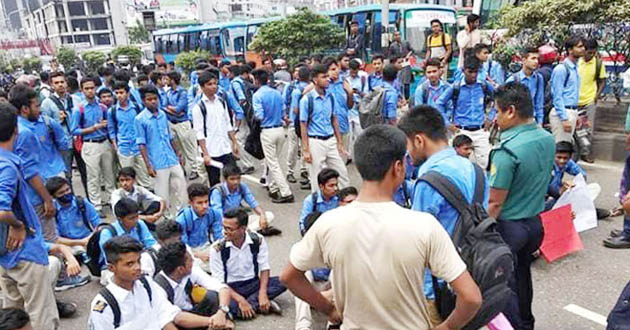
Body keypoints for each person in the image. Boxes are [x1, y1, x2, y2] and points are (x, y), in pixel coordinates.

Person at [281, 124, 482, 329]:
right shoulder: (424, 226)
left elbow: (289, 276)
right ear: (398, 167)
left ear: (359, 167)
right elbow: (471, 297)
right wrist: (446, 327)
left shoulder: (329, 223)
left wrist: (329, 309)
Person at [398, 105, 489, 324]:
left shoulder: (429, 180)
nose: (408, 155)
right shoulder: (475, 170)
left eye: (408, 146)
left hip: (441, 286)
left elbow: (419, 244)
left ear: (419, 140)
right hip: (476, 274)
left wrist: (426, 295)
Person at [487, 82, 555, 329]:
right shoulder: (547, 139)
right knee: (523, 275)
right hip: (535, 224)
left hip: (509, 226)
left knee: (504, 284)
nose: (495, 118)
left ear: (511, 111)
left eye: (497, 111)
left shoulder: (507, 150)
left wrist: (478, 234)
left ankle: (514, 325)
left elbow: (495, 203)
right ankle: (527, 321)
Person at [0, 102, 60, 330]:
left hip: (5, 253)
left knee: (13, 316)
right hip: (24, 252)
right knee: (41, 313)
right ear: (15, 129)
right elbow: (2, 209)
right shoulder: (6, 166)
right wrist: (17, 225)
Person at [89, 236, 231, 330]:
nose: (137, 267)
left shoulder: (146, 285)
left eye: (138, 261)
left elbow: (167, 316)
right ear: (112, 268)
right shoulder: (104, 306)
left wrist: (214, 320)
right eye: (129, 264)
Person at [9, 84, 66, 244]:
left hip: (26, 196)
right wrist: (46, 198)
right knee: (50, 240)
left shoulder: (14, 128)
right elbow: (30, 172)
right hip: (35, 196)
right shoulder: (25, 132)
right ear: (25, 109)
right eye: (36, 105)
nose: (39, 109)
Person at [210, 208, 287, 319]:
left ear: (243, 229)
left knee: (284, 280)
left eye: (229, 229)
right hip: (230, 288)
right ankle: (260, 305)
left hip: (253, 283)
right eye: (224, 227)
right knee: (215, 297)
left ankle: (246, 308)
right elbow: (219, 282)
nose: (225, 232)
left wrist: (263, 293)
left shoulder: (257, 241)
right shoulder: (217, 249)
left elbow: (264, 268)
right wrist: (240, 300)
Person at [135, 84, 187, 218]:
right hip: (157, 162)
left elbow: (169, 136)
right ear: (143, 101)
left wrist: (178, 153)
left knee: (180, 188)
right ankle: (166, 218)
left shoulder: (163, 114)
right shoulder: (140, 119)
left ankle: (181, 215)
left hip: (171, 158)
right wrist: (148, 165)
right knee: (162, 194)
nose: (153, 101)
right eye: (149, 99)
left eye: (155, 98)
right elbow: (142, 144)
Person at [154, 242, 234, 327]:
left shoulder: (191, 271)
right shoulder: (158, 287)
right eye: (190, 260)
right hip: (177, 322)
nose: (193, 261)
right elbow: (178, 318)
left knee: (213, 296)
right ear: (180, 269)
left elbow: (222, 288)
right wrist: (213, 321)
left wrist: (221, 312)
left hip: (193, 312)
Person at [299, 64, 350, 193]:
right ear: (315, 80)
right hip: (315, 141)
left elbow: (334, 119)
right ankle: (318, 206)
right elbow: (303, 124)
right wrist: (305, 149)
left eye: (327, 76)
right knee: (316, 176)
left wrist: (339, 142)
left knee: (342, 172)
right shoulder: (307, 100)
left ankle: (346, 199)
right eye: (324, 77)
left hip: (330, 140)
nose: (328, 79)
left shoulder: (330, 97)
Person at [436, 56, 494, 169]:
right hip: (461, 130)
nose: (473, 75)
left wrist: (491, 117)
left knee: (484, 164)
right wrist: (447, 124)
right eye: (470, 72)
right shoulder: (456, 87)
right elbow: (439, 104)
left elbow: (498, 98)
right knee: (458, 165)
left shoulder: (483, 85)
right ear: (463, 70)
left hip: (480, 131)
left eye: (475, 72)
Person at [70, 76, 116, 217]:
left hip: (104, 143)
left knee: (109, 175)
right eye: (87, 88)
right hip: (90, 145)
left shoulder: (102, 107)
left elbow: (109, 126)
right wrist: (93, 128)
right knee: (93, 176)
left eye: (92, 88)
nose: (90, 91)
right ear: (82, 90)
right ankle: (96, 206)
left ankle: (112, 201)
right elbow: (74, 130)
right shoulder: (79, 109)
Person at [252, 68, 295, 203]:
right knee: (277, 161)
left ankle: (285, 191)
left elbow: (259, 116)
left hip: (267, 131)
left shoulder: (257, 95)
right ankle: (274, 187)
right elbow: (284, 114)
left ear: (257, 80)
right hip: (280, 129)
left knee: (272, 162)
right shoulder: (277, 93)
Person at [40, 72, 87, 192]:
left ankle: (90, 203)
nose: (60, 85)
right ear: (51, 85)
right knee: (67, 175)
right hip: (63, 144)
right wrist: (58, 121)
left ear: (66, 83)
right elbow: (46, 126)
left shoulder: (76, 99)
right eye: (56, 83)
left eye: (62, 82)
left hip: (79, 140)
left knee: (86, 172)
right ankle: (70, 202)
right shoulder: (47, 103)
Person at [191, 71, 240, 187]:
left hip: (225, 148)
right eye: (209, 84)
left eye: (215, 83)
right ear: (202, 87)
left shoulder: (221, 102)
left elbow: (228, 123)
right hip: (211, 150)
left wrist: (234, 142)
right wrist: (205, 154)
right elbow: (199, 133)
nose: (214, 87)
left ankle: (234, 202)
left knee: (233, 177)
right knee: (215, 182)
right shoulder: (199, 108)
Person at [98, 198, 157, 285]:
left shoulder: (140, 224)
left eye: (137, 216)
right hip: (117, 266)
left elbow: (151, 244)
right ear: (119, 219)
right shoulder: (108, 233)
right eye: (131, 218)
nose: (136, 220)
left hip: (139, 259)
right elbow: (110, 260)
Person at [45, 176, 100, 258]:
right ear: (53, 196)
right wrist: (80, 242)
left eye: (67, 190)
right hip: (68, 245)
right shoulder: (53, 211)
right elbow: (56, 239)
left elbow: (98, 224)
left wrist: (90, 238)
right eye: (61, 193)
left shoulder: (81, 203)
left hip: (88, 239)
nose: (66, 194)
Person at [210, 163, 274, 233]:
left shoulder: (242, 187)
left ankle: (244, 232)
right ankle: (245, 232)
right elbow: (217, 214)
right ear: (225, 179)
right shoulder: (218, 191)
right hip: (224, 223)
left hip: (237, 220)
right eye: (232, 179)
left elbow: (253, 203)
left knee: (269, 215)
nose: (236, 182)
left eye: (238, 178)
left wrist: (262, 215)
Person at [165, 70, 203, 181]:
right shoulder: (169, 93)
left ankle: (195, 170)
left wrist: (171, 109)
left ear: (172, 80)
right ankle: (186, 168)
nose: (165, 81)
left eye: (167, 79)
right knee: (179, 149)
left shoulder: (182, 92)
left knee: (190, 148)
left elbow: (179, 109)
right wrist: (172, 109)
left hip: (183, 123)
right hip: (172, 123)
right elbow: (164, 106)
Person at [176, 183, 223, 271]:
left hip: (208, 247)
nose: (205, 206)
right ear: (190, 203)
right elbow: (182, 247)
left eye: (206, 201)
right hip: (191, 252)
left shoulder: (213, 213)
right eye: (200, 203)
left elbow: (219, 236)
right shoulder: (182, 220)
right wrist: (198, 255)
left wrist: (218, 247)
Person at [549, 36, 585, 143]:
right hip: (563, 113)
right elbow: (557, 96)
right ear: (570, 50)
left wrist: (576, 114)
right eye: (579, 47)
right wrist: (564, 118)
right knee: (560, 148)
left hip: (571, 111)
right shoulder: (561, 69)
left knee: (566, 147)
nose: (583, 49)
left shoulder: (575, 69)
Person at [577, 38, 607, 163]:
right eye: (589, 52)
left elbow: (602, 81)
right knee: (574, 128)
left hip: (589, 100)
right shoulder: (577, 62)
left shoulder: (598, 64)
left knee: (587, 130)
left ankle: (585, 153)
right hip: (574, 101)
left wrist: (596, 96)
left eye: (593, 53)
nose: (591, 55)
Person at [323, 57, 354, 164]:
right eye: (331, 70)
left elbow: (349, 106)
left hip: (343, 124)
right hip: (327, 128)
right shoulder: (324, 85)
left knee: (340, 161)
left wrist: (350, 93)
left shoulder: (344, 83)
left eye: (335, 68)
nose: (335, 71)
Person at [506, 48, 545, 125]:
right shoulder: (513, 79)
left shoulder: (538, 78)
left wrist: (540, 121)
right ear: (524, 60)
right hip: (517, 122)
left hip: (532, 120)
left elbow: (539, 102)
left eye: (537, 59)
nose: (536, 62)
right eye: (533, 58)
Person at [285, 65, 310, 188]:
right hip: (304, 123)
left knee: (293, 148)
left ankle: (290, 171)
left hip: (294, 122)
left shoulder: (296, 90)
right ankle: (303, 169)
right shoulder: (311, 89)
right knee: (304, 146)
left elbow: (294, 109)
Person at [545, 141, 587, 210]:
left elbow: (582, 174)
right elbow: (554, 192)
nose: (562, 161)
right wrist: (564, 188)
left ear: (569, 158)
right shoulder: (549, 167)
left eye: (565, 158)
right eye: (559, 157)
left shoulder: (568, 162)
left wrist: (576, 184)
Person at [231, 64, 257, 174]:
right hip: (249, 113)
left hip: (241, 114)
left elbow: (241, 99)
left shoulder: (236, 83)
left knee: (238, 139)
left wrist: (237, 112)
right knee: (245, 136)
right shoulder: (246, 82)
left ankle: (247, 164)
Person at [298, 168, 340, 235]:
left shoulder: (339, 198)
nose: (335, 188)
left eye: (336, 185)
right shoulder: (311, 200)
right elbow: (303, 223)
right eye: (331, 186)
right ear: (321, 186)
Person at [414, 58, 451, 124]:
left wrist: (445, 121)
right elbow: (419, 110)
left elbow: (450, 108)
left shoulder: (447, 88)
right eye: (429, 72)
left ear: (439, 71)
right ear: (425, 73)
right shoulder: (421, 89)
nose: (432, 74)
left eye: (434, 71)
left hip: (444, 123)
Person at [389, 31, 415, 99]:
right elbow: (390, 57)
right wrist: (397, 59)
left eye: (399, 35)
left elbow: (412, 50)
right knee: (399, 81)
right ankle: (400, 98)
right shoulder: (392, 46)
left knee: (407, 81)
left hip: (406, 63)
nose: (398, 36)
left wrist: (408, 55)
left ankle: (407, 98)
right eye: (396, 35)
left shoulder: (406, 43)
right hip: (398, 64)